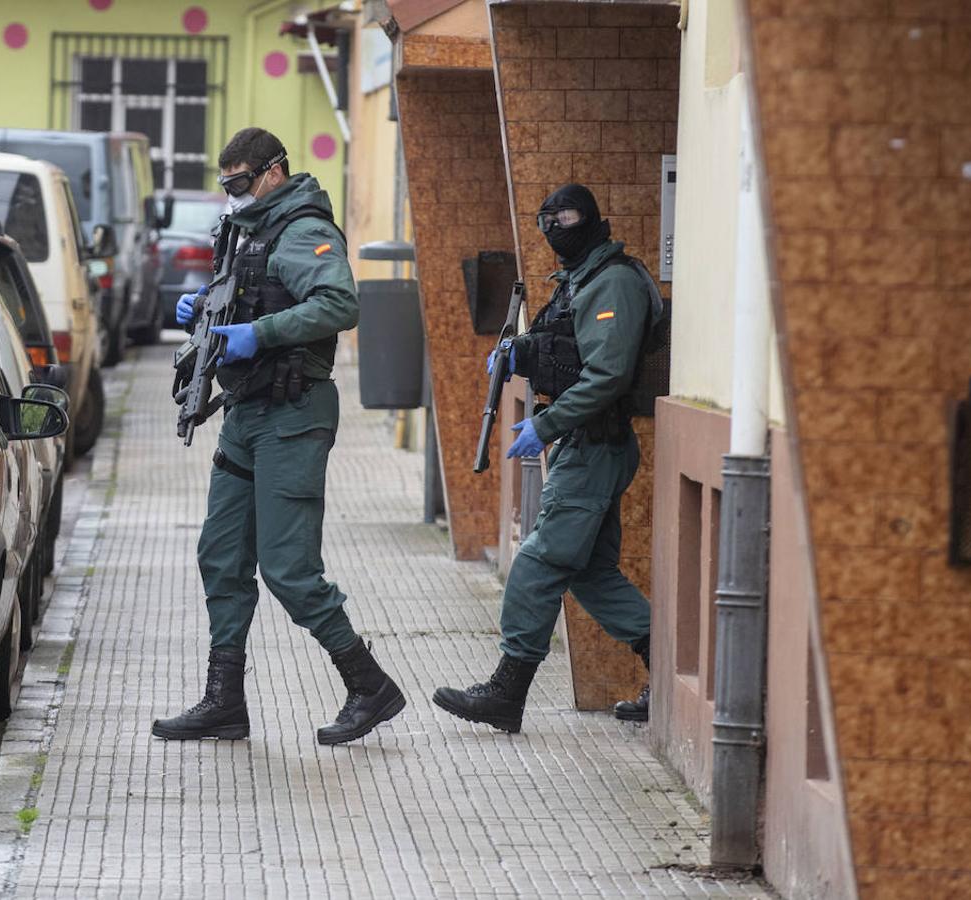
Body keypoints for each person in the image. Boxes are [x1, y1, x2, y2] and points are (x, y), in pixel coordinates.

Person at [153, 127, 406, 746]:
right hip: (246, 411)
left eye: (240, 183)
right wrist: (205, 308)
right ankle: (224, 701)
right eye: (226, 185)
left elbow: (341, 303)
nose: (233, 195)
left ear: (273, 172)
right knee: (221, 554)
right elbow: (240, 294)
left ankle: (369, 685)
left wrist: (259, 334)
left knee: (289, 569)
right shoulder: (249, 230)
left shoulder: (303, 229)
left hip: (293, 414)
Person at [433, 183, 661, 733]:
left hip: (593, 445)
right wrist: (522, 350)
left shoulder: (614, 283)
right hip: (581, 444)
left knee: (537, 564)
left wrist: (545, 424)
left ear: (592, 219)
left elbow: (607, 374)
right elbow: (568, 352)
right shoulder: (579, 281)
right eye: (547, 219)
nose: (557, 227)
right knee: (588, 572)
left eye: (568, 216)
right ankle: (669, 667)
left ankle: (506, 692)